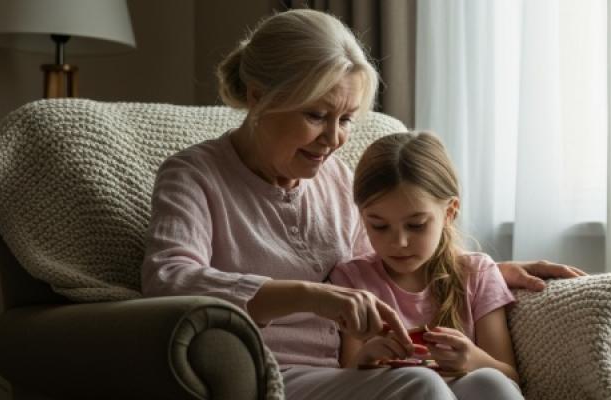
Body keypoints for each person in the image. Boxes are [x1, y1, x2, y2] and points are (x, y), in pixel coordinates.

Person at [141, 8, 583, 400]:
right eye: (316, 115)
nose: (334, 139)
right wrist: (308, 296)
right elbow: (167, 278)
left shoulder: (335, 178)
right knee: (419, 386)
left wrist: (479, 271)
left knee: (483, 385)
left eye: (346, 119)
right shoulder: (194, 174)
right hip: (268, 373)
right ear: (258, 97)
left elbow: (384, 261)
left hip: (351, 375)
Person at [331, 132, 522, 399]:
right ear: (363, 218)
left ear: (449, 212)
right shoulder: (352, 279)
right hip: (395, 393)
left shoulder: (478, 274)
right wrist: (368, 356)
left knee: (490, 381)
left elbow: (510, 377)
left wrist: (473, 358)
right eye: (379, 226)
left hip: (468, 391)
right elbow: (345, 381)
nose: (399, 242)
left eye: (416, 225)